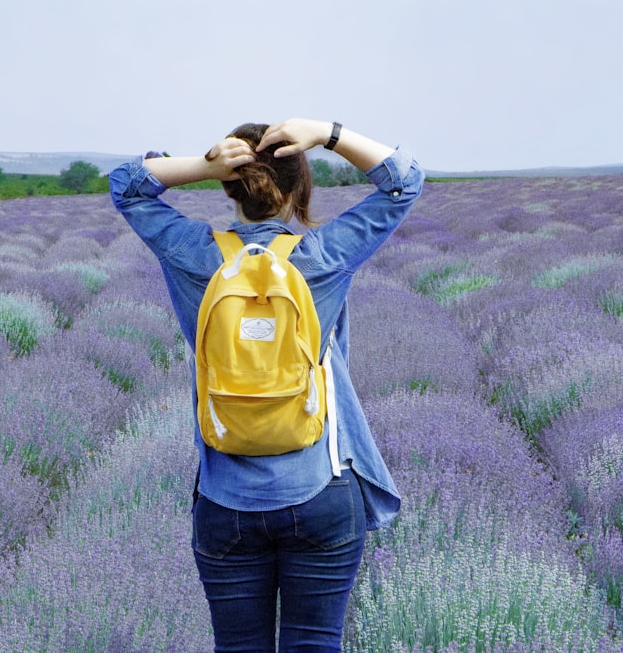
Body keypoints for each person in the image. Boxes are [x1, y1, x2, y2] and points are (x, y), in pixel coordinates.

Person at [109, 118, 424, 652]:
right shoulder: (320, 257)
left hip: (225, 496)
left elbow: (126, 184)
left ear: (228, 186)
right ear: (300, 188)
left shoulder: (196, 254)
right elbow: (404, 181)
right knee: (315, 643)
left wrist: (202, 166)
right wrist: (328, 133)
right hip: (321, 486)